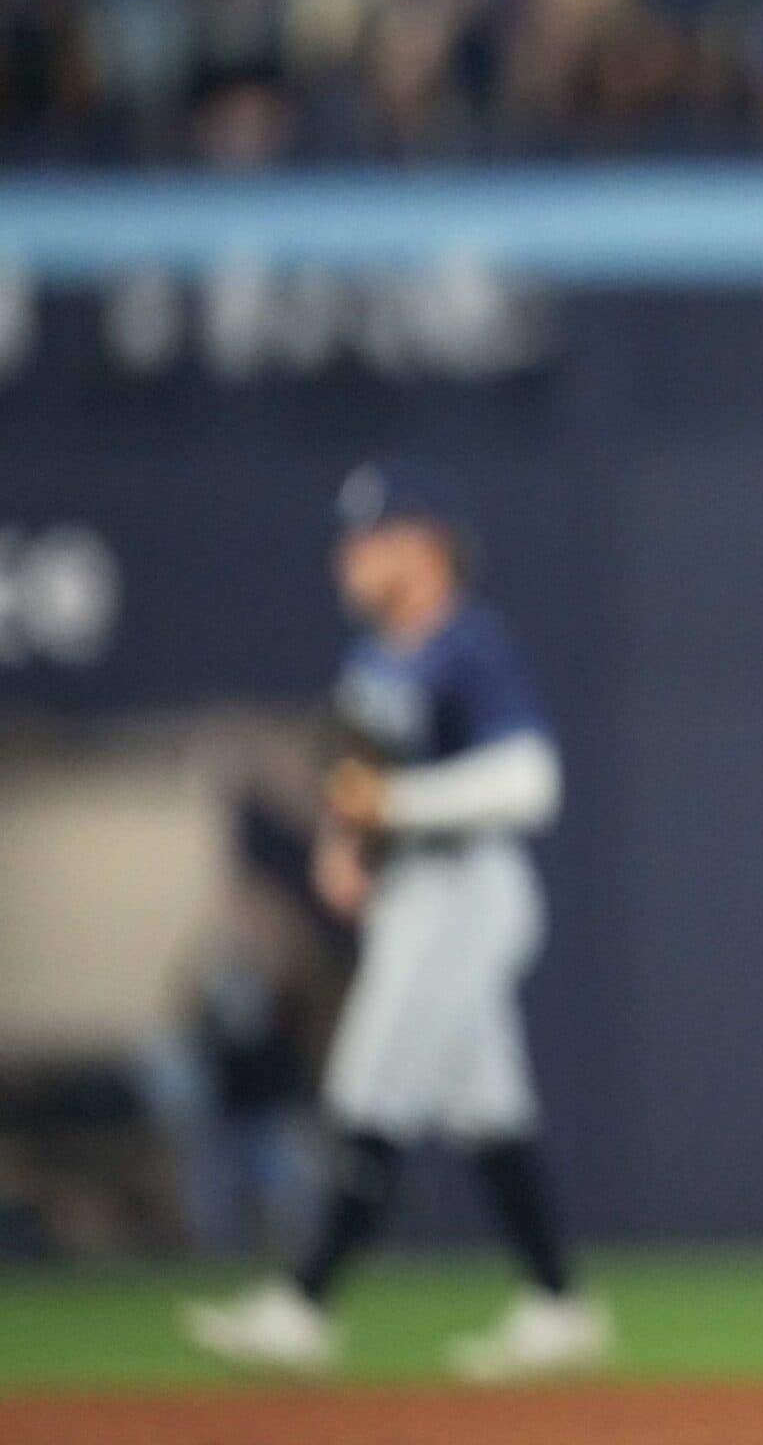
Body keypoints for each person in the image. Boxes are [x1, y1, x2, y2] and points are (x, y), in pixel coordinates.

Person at [183, 462, 610, 1381]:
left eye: (369, 538)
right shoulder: (375, 660)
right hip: (416, 894)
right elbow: (358, 790)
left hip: (470, 892)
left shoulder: (469, 646)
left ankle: (304, 1306)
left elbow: (531, 782)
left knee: (370, 1087)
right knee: (490, 1109)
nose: (348, 556)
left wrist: (394, 809)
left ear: (422, 546)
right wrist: (351, 846)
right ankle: (559, 1306)